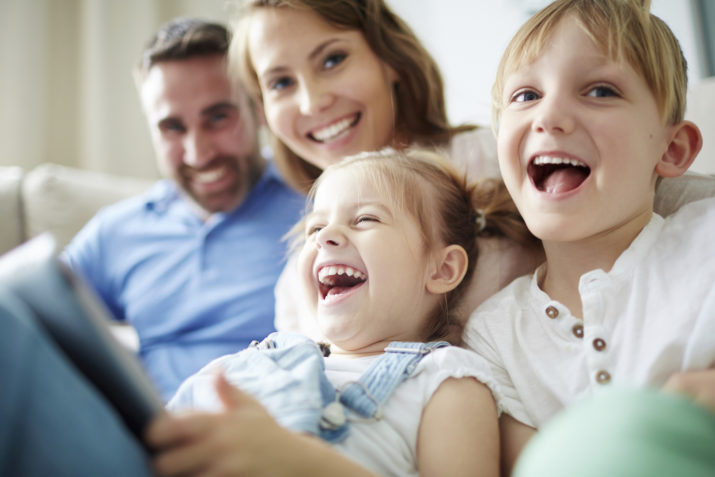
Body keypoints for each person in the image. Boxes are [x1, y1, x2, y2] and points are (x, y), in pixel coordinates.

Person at [0, 149, 529, 476]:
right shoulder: (269, 354)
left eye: (366, 219)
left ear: (442, 270)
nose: (329, 237)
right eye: (315, 229)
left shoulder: (447, 380)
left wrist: (299, 464)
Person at [228, 0, 715, 341]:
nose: (313, 100)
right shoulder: (303, 278)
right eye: (280, 83)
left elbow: (656, 196)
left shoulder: (503, 153)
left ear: (388, 58)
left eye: (333, 60)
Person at [462, 1, 715, 475]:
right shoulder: (494, 335)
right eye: (525, 95)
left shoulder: (706, 244)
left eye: (600, 90)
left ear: (672, 149)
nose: (550, 116)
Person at [62, 17, 305, 401]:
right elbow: (31, 318)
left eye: (218, 118)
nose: (199, 153)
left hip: (282, 429)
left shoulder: (318, 207)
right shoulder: (117, 232)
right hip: (152, 440)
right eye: (172, 127)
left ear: (257, 108)